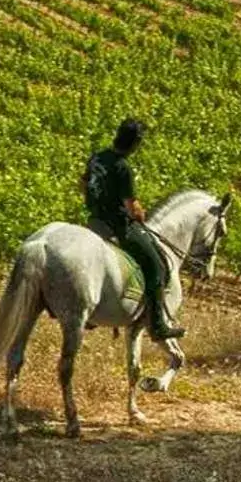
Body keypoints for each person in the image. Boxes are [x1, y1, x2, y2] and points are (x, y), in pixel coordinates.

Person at [81, 118, 183, 340]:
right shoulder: (122, 167)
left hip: (94, 222)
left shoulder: (97, 157)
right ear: (135, 143)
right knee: (156, 266)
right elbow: (132, 207)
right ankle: (157, 326)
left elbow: (83, 183)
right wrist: (139, 214)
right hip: (117, 226)